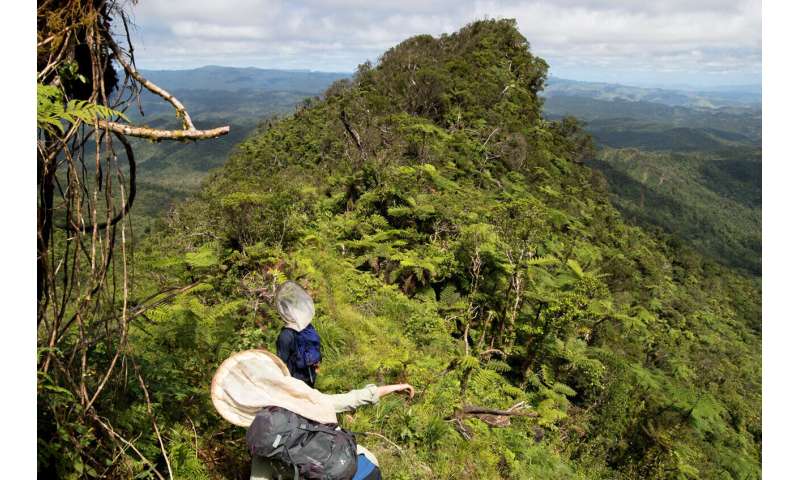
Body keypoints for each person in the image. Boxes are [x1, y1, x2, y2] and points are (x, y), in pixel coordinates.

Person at [210, 350, 414, 480]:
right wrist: (395, 387)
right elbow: (354, 398)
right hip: (365, 467)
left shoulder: (265, 441)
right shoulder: (308, 399)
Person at [274, 281, 322, 387]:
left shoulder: (286, 335)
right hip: (310, 374)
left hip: (295, 380)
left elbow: (281, 363)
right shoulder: (307, 326)